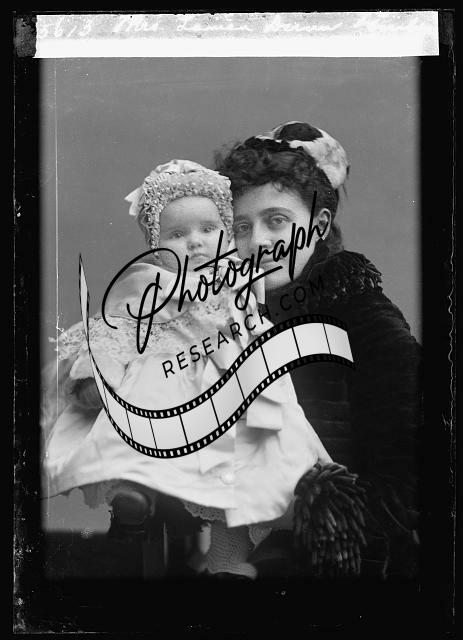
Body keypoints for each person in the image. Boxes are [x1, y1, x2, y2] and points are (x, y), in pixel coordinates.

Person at [41, 159, 334, 580]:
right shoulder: (149, 284)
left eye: (208, 230)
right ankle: (134, 493)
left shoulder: (239, 281)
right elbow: (114, 331)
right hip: (168, 381)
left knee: (246, 473)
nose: (195, 242)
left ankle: (226, 563)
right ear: (156, 245)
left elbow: (256, 334)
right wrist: (96, 374)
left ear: (226, 234)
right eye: (177, 235)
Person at [215, 121, 421, 578]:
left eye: (277, 221)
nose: (257, 242)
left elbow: (410, 486)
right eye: (242, 226)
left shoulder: (366, 319)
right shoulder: (234, 315)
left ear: (319, 225)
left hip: (349, 565)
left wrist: (302, 518)